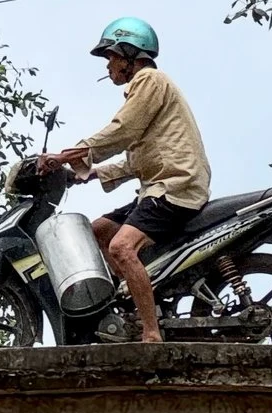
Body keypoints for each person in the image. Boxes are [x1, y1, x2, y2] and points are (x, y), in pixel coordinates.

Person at [36, 17, 211, 344]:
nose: (109, 65)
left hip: (175, 187)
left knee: (120, 246)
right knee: (95, 231)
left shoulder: (149, 80)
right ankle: (128, 299)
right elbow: (141, 158)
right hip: (159, 184)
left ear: (130, 55)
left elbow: (122, 130)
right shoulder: (148, 89)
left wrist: (70, 155)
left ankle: (151, 332)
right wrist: (88, 175)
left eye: (112, 57)